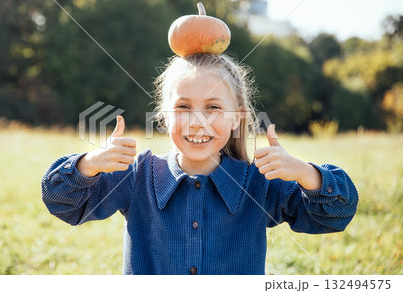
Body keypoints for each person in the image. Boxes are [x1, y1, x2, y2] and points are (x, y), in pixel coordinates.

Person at [41, 53, 358, 275]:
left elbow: (335, 214)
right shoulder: (137, 176)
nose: (197, 122)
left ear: (237, 119)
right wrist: (89, 164)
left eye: (213, 107)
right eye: (183, 107)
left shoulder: (259, 183)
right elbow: (63, 202)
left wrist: (305, 173)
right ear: (164, 116)